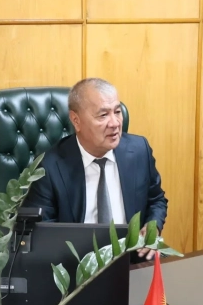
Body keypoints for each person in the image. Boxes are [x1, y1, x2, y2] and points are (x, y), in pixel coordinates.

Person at [24, 78, 167, 259]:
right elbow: (43, 232)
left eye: (117, 111)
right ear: (76, 121)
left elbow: (156, 199)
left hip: (134, 257)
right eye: (103, 115)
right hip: (76, 265)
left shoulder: (139, 150)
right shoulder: (49, 167)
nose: (115, 123)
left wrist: (152, 227)